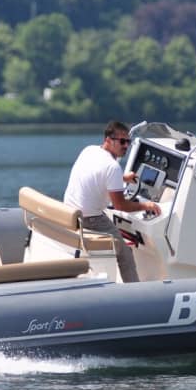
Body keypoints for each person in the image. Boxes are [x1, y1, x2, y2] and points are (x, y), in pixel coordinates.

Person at [64, 120, 161, 282]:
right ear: (108, 140)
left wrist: (122, 178)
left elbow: (96, 174)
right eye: (122, 141)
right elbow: (120, 205)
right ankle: (133, 293)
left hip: (70, 211)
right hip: (90, 220)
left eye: (128, 142)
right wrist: (147, 205)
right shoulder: (112, 167)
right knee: (125, 252)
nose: (126, 146)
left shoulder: (90, 150)